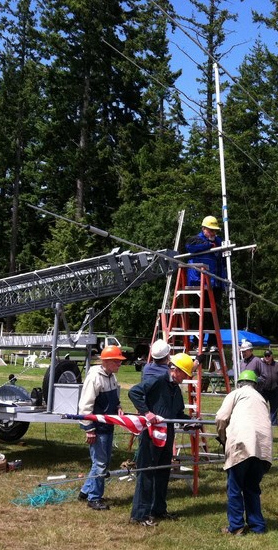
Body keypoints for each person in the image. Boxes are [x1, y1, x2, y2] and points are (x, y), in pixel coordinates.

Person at [128, 352, 194, 527]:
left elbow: (177, 413)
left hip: (167, 435)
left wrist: (189, 422)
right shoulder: (157, 381)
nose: (186, 378)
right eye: (185, 374)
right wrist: (147, 412)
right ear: (176, 370)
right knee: (147, 473)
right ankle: (140, 515)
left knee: (163, 471)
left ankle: (158, 509)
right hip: (151, 435)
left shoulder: (175, 390)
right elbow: (134, 392)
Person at [215, 369, 273, 535]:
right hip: (262, 448)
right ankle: (257, 526)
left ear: (239, 383)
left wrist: (223, 437)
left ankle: (236, 526)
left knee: (235, 488)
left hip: (241, 444)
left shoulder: (236, 394)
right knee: (252, 487)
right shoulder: (262, 399)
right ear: (255, 384)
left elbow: (221, 418)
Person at [77, 344, 125, 511]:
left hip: (108, 426)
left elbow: (114, 397)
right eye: (117, 362)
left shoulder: (111, 377)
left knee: (102, 462)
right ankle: (94, 498)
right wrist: (89, 429)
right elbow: (84, 407)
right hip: (97, 427)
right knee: (100, 463)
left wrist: (118, 406)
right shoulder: (94, 378)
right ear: (107, 362)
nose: (120, 364)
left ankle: (85, 491)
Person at [185, 215, 226, 350]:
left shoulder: (218, 241)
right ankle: (197, 343)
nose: (213, 233)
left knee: (215, 314)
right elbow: (189, 246)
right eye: (210, 230)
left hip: (214, 283)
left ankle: (213, 343)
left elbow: (221, 261)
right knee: (200, 313)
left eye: (215, 231)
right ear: (203, 229)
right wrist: (209, 245)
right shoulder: (197, 240)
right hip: (199, 282)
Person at [256, 350, 278, 426]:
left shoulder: (277, 365)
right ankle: (262, 422)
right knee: (262, 406)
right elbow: (255, 372)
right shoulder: (260, 365)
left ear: (272, 356)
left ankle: (273, 423)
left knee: (274, 406)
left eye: (268, 355)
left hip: (274, 389)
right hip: (263, 389)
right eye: (265, 356)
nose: (267, 357)